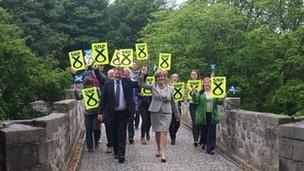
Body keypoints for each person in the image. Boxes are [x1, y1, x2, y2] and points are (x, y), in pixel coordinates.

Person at [139, 69, 180, 163]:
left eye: (162, 76)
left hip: (166, 112)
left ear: (164, 77)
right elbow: (141, 85)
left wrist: (177, 114)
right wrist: (142, 76)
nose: (160, 78)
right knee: (157, 132)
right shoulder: (153, 86)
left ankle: (164, 152)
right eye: (158, 76)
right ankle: (158, 147)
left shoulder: (170, 88)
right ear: (156, 78)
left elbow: (173, 102)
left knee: (165, 131)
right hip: (155, 111)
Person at [100, 67, 138, 163]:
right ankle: (116, 151)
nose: (117, 75)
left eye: (119, 74)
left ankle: (122, 154)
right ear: (114, 74)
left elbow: (139, 84)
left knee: (122, 133)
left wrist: (143, 75)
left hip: (124, 113)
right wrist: (100, 112)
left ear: (123, 75)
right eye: (116, 74)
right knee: (114, 133)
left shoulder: (128, 83)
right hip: (111, 113)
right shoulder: (108, 84)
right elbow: (103, 99)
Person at [191, 77, 222, 155]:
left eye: (208, 82)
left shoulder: (215, 93)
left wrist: (223, 97)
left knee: (212, 132)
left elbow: (219, 102)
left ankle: (210, 148)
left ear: (211, 84)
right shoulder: (200, 93)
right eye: (205, 83)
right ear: (203, 84)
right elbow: (195, 100)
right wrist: (194, 93)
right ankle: (204, 143)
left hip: (212, 115)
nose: (207, 84)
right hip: (203, 115)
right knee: (204, 131)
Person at [74, 76, 101, 153]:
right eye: (87, 85)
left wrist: (99, 100)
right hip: (87, 113)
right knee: (88, 130)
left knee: (95, 128)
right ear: (85, 85)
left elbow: (102, 98)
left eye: (90, 84)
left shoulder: (97, 89)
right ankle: (90, 147)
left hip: (96, 113)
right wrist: (76, 92)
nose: (88, 86)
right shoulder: (84, 91)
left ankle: (96, 141)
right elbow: (78, 98)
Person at [188, 69, 202, 147]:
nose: (193, 76)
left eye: (195, 74)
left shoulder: (201, 83)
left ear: (197, 75)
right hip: (192, 104)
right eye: (192, 74)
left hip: (199, 104)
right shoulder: (188, 84)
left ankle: (199, 137)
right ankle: (195, 139)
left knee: (199, 121)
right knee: (194, 121)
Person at [138, 66, 152, 145]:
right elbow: (135, 90)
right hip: (142, 103)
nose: (144, 71)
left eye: (145, 70)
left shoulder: (151, 79)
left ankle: (147, 132)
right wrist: (139, 93)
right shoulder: (139, 79)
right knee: (145, 119)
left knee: (149, 121)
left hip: (150, 103)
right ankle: (142, 136)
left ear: (147, 71)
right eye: (142, 69)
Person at [123, 67, 136, 144]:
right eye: (124, 72)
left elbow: (138, 86)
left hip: (131, 105)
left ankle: (131, 137)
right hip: (122, 105)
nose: (125, 73)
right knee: (123, 122)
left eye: (126, 72)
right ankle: (123, 137)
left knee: (131, 121)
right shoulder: (120, 81)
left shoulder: (132, 81)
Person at [169, 73, 181, 145]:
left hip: (178, 107)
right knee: (171, 123)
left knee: (177, 123)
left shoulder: (180, 86)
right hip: (170, 107)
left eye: (176, 77)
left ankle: (173, 133)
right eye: (173, 77)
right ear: (171, 78)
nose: (175, 78)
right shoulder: (168, 86)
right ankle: (172, 138)